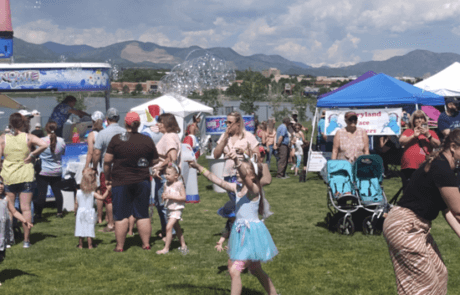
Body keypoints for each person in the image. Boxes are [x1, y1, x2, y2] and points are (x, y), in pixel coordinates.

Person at [188, 150, 278, 295]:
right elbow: (216, 180)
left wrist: (237, 160)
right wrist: (198, 167)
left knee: (234, 271)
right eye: (237, 169)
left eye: (241, 170)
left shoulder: (254, 190)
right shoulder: (236, 189)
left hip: (251, 235)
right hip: (240, 232)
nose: (237, 172)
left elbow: (245, 177)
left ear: (253, 175)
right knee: (255, 269)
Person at [383, 129, 460, 295]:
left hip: (415, 226)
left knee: (440, 274)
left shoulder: (443, 165)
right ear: (453, 147)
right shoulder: (441, 167)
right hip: (405, 226)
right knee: (424, 286)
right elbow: (458, 210)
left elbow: (447, 210)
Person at [104, 111, 158, 252]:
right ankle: (146, 244)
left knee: (121, 215)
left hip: (121, 181)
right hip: (142, 181)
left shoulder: (117, 139)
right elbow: (155, 161)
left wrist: (107, 177)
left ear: (125, 123)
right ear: (139, 124)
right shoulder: (147, 140)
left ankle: (120, 246)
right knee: (142, 214)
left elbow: (107, 161)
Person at [0, 113, 47, 248]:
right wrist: (32, 155)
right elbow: (44, 144)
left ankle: (8, 239)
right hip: (26, 175)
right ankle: (26, 241)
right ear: (23, 123)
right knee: (25, 209)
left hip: (9, 176)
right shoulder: (28, 137)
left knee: (9, 209)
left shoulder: (3, 139)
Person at [92, 108, 125, 233]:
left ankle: (111, 224)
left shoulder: (103, 133)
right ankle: (123, 222)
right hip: (123, 168)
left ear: (107, 119)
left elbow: (96, 152)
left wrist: (94, 167)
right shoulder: (124, 132)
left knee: (109, 198)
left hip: (108, 168)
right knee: (122, 196)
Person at [152, 113, 182, 239]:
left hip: (165, 176)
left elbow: (172, 158)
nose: (157, 124)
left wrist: (160, 167)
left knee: (164, 206)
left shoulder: (169, 137)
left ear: (166, 124)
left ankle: (171, 233)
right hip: (165, 175)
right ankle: (167, 231)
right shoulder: (171, 136)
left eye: (160, 122)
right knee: (162, 205)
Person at [0, 176, 33, 285]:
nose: (0, 186)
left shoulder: (6, 198)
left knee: (1, 256)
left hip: (2, 233)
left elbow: (14, 212)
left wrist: (25, 220)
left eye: (1, 183)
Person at [34, 121, 67, 220]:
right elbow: (63, 153)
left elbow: (37, 153)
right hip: (57, 170)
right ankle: (59, 212)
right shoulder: (61, 141)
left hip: (43, 170)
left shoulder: (41, 141)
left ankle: (39, 214)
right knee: (57, 192)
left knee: (41, 193)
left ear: (46, 129)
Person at [399, 110, 440, 182]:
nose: (419, 120)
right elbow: (401, 142)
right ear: (413, 121)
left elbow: (437, 144)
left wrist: (428, 135)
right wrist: (413, 136)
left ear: (425, 120)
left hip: (426, 165)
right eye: (417, 118)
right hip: (409, 165)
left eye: (421, 118)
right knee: (408, 189)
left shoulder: (431, 132)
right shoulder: (409, 131)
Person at [75, 168, 111, 249]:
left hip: (80, 212)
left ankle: (80, 245)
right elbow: (102, 197)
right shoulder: (92, 193)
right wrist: (108, 190)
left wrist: (75, 211)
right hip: (90, 212)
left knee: (80, 229)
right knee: (89, 229)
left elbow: (76, 203)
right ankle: (90, 245)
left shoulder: (78, 192)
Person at [156, 163, 187, 255]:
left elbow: (183, 198)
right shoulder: (166, 184)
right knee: (177, 227)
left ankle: (166, 248)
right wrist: (164, 196)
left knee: (168, 227)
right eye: (165, 173)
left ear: (176, 175)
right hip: (170, 208)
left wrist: (170, 196)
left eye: (168, 174)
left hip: (177, 209)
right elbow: (166, 194)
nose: (166, 176)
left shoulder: (179, 184)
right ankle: (183, 245)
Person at [84, 111, 105, 224]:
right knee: (105, 191)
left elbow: (90, 153)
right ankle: (105, 217)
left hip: (97, 164)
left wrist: (87, 167)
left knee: (97, 191)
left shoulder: (92, 135)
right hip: (106, 164)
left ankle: (99, 217)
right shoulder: (105, 132)